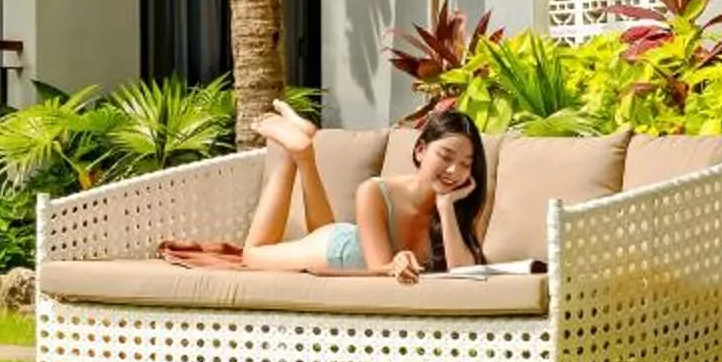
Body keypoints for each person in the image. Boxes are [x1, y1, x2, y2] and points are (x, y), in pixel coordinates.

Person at [169, 103, 489, 282]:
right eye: (445, 157)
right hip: (337, 249)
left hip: (344, 236)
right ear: (420, 150)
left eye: (465, 164)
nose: (454, 171)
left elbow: (465, 274)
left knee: (321, 226)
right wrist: (394, 263)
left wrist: (446, 208)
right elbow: (377, 271)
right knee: (252, 255)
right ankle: (292, 154)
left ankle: (304, 148)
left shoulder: (460, 202)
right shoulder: (376, 192)